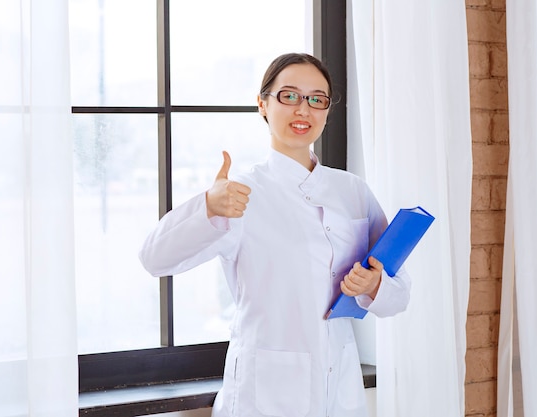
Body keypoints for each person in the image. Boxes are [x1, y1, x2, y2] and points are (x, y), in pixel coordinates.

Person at [139, 53, 411, 417]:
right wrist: (208, 206)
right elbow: (154, 259)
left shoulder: (353, 192)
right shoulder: (240, 194)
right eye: (289, 96)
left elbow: (399, 295)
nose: (304, 110)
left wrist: (373, 286)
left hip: (341, 388)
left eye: (317, 99)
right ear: (263, 104)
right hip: (265, 394)